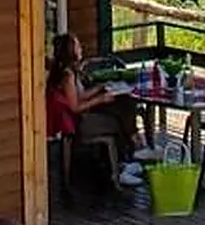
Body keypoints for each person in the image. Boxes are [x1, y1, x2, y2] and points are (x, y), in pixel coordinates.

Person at [46, 32, 148, 187]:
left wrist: (99, 88)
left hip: (82, 117)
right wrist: (100, 99)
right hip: (81, 123)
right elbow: (75, 107)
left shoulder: (67, 71)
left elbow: (79, 96)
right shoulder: (67, 76)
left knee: (124, 103)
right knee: (119, 117)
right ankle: (123, 164)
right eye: (77, 46)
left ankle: (128, 153)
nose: (81, 49)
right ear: (70, 50)